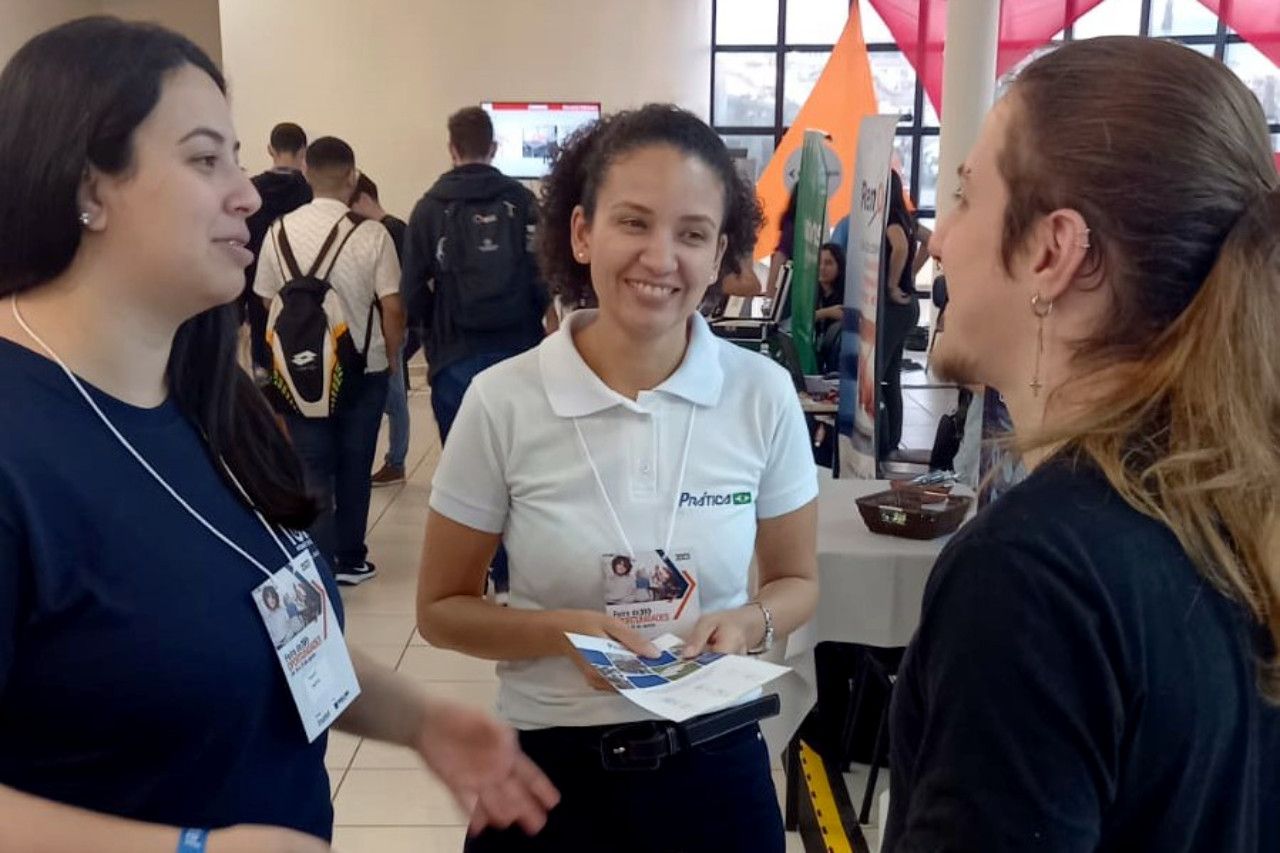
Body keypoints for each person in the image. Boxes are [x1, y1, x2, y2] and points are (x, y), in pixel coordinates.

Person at [0, 17, 559, 852]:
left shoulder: (199, 396)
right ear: (88, 183)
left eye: (235, 155)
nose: (249, 193)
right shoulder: (19, 442)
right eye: (203, 159)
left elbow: (270, 630)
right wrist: (193, 849)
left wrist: (420, 718)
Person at [885, 37, 1280, 852]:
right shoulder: (1238, 516)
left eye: (964, 198)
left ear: (1054, 250)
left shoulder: (1035, 574)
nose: (939, 241)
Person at [416, 103, 820, 853]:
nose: (661, 258)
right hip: (549, 777)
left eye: (692, 233)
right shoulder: (504, 400)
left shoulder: (761, 394)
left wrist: (749, 623)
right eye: (633, 222)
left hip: (716, 768)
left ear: (720, 252)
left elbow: (797, 581)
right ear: (580, 233)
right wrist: (559, 632)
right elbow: (441, 609)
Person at [401, 106, 548, 596]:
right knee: (524, 466)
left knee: (466, 471)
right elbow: (544, 277)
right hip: (521, 353)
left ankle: (479, 572)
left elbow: (412, 289)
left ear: (452, 147)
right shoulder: (523, 203)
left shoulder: (428, 207)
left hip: (454, 356)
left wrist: (428, 336)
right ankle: (516, 575)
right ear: (494, 147)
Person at [254, 137, 405, 585]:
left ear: (306, 174)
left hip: (299, 370)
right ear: (353, 177)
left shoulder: (277, 232)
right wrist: (392, 354)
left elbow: (264, 299)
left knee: (312, 465)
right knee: (355, 464)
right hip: (364, 368)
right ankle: (351, 559)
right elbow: (393, 305)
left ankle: (317, 562)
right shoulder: (372, 233)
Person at [349, 172, 416, 487]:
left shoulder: (389, 231)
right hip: (385, 325)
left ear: (363, 199)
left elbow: (397, 289)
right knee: (391, 394)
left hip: (390, 326)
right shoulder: (394, 229)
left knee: (393, 396)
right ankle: (393, 459)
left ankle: (396, 460)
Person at [243, 122, 312, 383]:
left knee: (266, 374)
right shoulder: (308, 192)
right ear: (303, 151)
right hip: (302, 292)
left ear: (270, 149)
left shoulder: (251, 191)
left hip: (259, 291)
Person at [876, 168, 920, 459]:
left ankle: (885, 439)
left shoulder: (891, 219)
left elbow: (900, 247)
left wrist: (893, 284)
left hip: (894, 306)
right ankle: (891, 440)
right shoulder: (908, 218)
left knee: (878, 371)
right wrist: (910, 277)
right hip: (908, 305)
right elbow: (931, 242)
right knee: (890, 374)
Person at [813, 242, 846, 374]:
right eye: (819, 262)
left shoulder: (846, 293)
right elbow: (800, 320)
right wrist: (827, 313)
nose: (822, 268)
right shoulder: (810, 292)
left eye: (828, 263)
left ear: (839, 267)